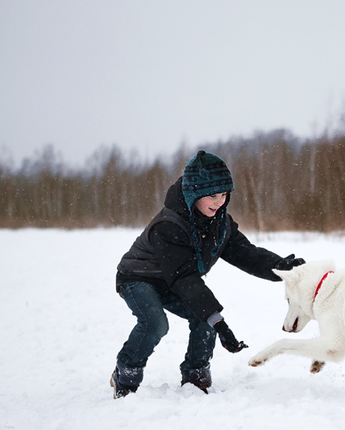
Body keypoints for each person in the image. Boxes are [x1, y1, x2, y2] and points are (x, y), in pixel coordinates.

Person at [110, 150, 304, 398]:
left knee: (204, 319)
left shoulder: (220, 223)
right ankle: (126, 375)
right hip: (138, 278)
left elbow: (245, 253)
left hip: (175, 281)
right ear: (194, 193)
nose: (219, 202)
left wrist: (280, 267)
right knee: (155, 323)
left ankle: (195, 378)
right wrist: (219, 323)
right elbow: (184, 278)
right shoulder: (169, 225)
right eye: (212, 195)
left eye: (224, 194)